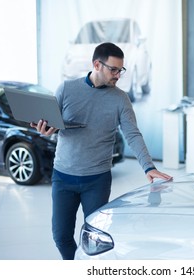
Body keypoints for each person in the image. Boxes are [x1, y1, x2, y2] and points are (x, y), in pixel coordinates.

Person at [31, 42, 172, 260]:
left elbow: (132, 134)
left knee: (97, 240)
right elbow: (50, 124)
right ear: (97, 65)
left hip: (97, 180)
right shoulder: (66, 89)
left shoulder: (120, 99)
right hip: (63, 177)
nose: (118, 75)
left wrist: (148, 167)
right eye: (113, 70)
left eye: (121, 70)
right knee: (60, 236)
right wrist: (45, 130)